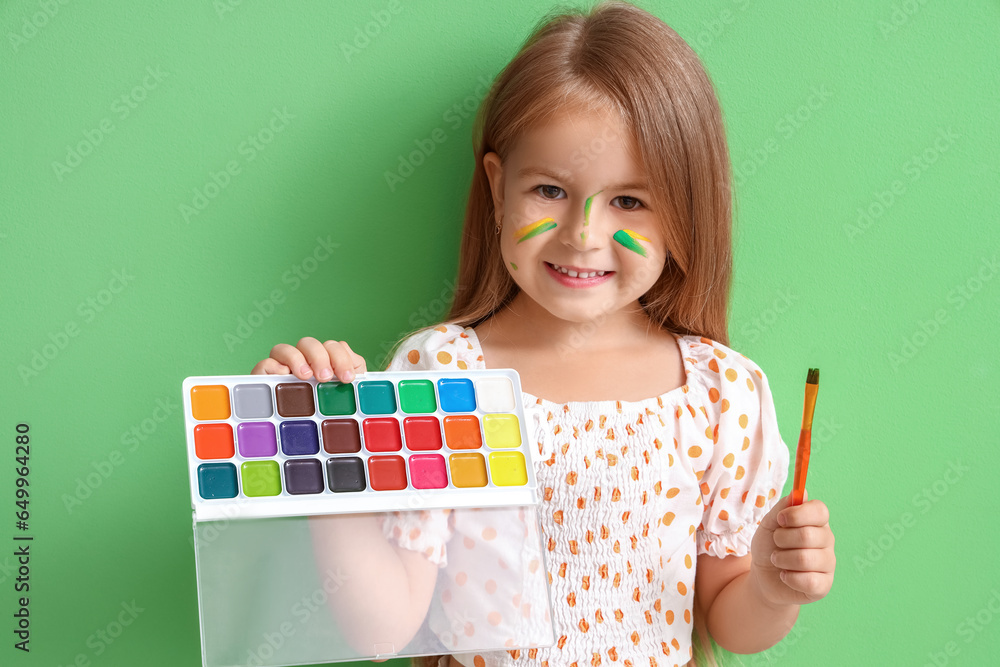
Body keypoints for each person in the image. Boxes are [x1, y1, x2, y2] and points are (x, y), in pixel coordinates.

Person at [250, 2, 836, 666]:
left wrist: (771, 583)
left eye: (631, 201)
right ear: (499, 188)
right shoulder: (443, 376)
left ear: (683, 212)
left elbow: (732, 622)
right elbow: (383, 629)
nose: (582, 234)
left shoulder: (722, 392)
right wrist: (329, 462)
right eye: (550, 190)